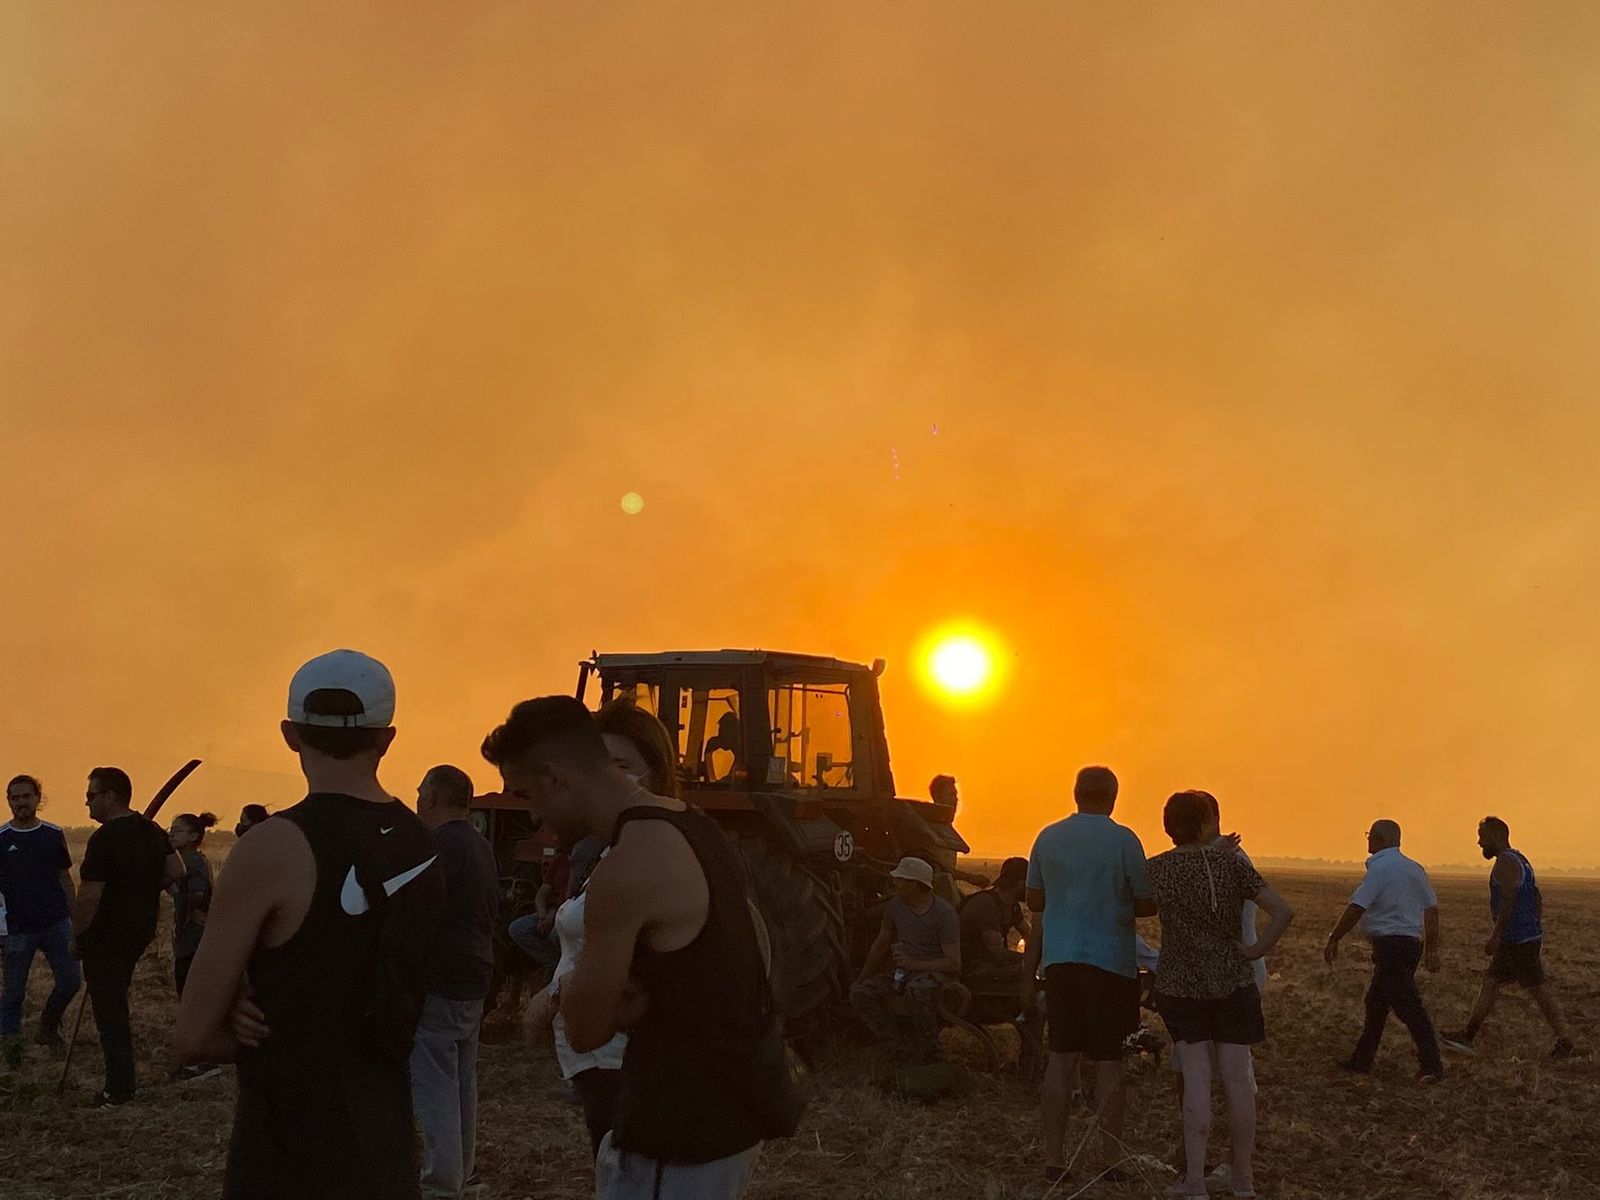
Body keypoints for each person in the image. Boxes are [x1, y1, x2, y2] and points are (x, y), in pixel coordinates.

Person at [482, 695, 799, 1200]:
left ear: (556, 778)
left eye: (527, 794)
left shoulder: (626, 866)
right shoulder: (692, 825)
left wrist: (573, 993)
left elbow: (584, 1031)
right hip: (724, 1121)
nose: (535, 814)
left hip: (675, 1134)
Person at [173, 649, 446, 1199]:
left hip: (288, 1152)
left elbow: (193, 1036)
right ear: (387, 739)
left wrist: (247, 1018)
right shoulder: (423, 845)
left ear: (290, 734)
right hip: (386, 1150)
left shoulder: (271, 847)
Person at [524, 696, 681, 1156]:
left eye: (621, 765)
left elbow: (641, 965)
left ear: (654, 773)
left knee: (628, 1170)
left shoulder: (654, 855)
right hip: (596, 1064)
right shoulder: (612, 850)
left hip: (625, 1062)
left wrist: (555, 996)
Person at [1146, 790, 1293, 1199]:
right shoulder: (1231, 865)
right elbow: (1283, 912)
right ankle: (1243, 1179)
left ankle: (1194, 1180)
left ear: (1168, 826)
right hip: (1233, 982)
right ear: (1207, 823)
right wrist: (1255, 951)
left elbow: (1135, 905)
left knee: (1195, 1081)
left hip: (1181, 986)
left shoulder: (1156, 869)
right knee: (1238, 1081)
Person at [1022, 766, 1155, 1184]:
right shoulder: (1124, 840)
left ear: (1075, 794)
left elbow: (1034, 899)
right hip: (1111, 965)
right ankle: (1110, 1160)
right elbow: (1146, 903)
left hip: (1061, 962)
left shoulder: (1048, 837)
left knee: (1061, 1059)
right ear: (1113, 797)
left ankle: (1055, 1159)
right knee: (1110, 1063)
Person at [412, 765, 500, 1200]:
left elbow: (422, 911)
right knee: (463, 1082)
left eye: (420, 791)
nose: (416, 799)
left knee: (435, 1085)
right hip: (474, 976)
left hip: (441, 979)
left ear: (432, 797)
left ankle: (441, 1183)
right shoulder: (481, 846)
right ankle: (462, 1173)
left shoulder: (440, 846)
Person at [74, 766, 186, 1107]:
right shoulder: (151, 830)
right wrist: (146, 889)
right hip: (140, 930)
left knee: (110, 1012)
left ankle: (119, 1089)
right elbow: (177, 870)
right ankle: (121, 1082)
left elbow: (89, 896)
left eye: (91, 795)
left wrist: (77, 935)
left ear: (110, 796)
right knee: (115, 1002)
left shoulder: (104, 838)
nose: (87, 802)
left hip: (105, 935)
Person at [1441, 817, 1576, 1060]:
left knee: (1538, 989)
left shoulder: (1504, 862)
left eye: (1482, 837)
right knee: (1491, 983)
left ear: (1495, 837)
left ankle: (1565, 1041)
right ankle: (1468, 1035)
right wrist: (1534, 923)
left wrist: (1496, 934)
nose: (1479, 842)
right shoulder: (1520, 859)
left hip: (1517, 939)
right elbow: (1536, 896)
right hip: (1522, 936)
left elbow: (1509, 900)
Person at [1324, 820, 1445, 1081]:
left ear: (1378, 838)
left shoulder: (1379, 870)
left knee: (1409, 1007)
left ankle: (1432, 1065)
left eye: (1369, 835)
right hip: (1409, 945)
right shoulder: (1415, 869)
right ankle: (1361, 1061)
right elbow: (1432, 910)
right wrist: (1431, 950)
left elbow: (1357, 907)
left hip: (1391, 947)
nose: (1367, 840)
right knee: (1376, 1004)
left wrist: (1334, 937)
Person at [0, 774, 80, 1069]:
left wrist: (75, 917)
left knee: (71, 981)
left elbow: (64, 877)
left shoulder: (52, 834)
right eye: (15, 797)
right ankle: (12, 1050)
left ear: (37, 798)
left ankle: (48, 1026)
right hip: (16, 928)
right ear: (9, 801)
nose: (21, 802)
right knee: (14, 993)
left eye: (26, 796)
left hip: (57, 923)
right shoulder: (2, 838)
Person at [851, 856, 962, 1060]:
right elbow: (881, 945)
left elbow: (953, 963)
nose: (895, 883)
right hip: (903, 972)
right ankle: (897, 1045)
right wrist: (861, 979)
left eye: (900, 879)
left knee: (917, 991)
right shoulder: (895, 907)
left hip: (934, 974)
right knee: (860, 993)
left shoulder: (944, 914)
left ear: (915, 884)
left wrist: (914, 964)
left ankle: (931, 1052)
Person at [167, 810, 221, 1082]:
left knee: (191, 998)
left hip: (193, 940)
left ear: (193, 836)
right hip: (190, 938)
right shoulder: (190, 860)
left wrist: (188, 912)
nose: (171, 834)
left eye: (177, 830)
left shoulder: (192, 862)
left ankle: (200, 1061)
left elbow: (196, 894)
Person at [959, 855, 1030, 981]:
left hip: (988, 963)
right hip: (972, 966)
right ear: (1021, 883)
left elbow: (1028, 934)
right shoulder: (986, 905)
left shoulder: (1012, 905)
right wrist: (1030, 960)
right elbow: (998, 954)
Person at [926, 775, 991, 889]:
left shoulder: (946, 827)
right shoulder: (928, 828)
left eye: (956, 795)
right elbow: (939, 868)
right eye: (951, 795)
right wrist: (970, 878)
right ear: (937, 797)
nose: (955, 800)